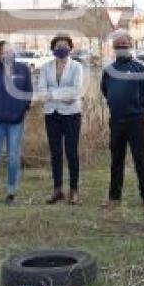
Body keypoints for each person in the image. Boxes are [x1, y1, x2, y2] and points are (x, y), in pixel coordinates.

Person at [100, 30, 144, 209]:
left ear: (130, 45)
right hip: (116, 121)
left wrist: (137, 106)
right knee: (117, 160)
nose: (121, 47)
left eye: (124, 44)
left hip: (136, 121)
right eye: (118, 45)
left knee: (140, 159)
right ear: (114, 48)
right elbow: (105, 91)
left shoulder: (140, 67)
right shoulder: (108, 70)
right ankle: (114, 198)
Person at [0, 40, 33, 205]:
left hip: (16, 122)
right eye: (6, 52)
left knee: (13, 158)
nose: (10, 54)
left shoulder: (23, 70)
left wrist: (23, 109)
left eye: (12, 50)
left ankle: (11, 193)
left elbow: (28, 93)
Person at [38, 34, 84, 205]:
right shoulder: (45, 68)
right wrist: (59, 95)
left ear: (70, 48)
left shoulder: (77, 67)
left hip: (72, 114)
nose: (61, 48)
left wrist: (52, 94)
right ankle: (57, 190)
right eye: (58, 45)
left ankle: (74, 191)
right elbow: (42, 91)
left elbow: (75, 92)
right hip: (51, 114)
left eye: (65, 45)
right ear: (53, 48)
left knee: (71, 152)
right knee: (55, 153)